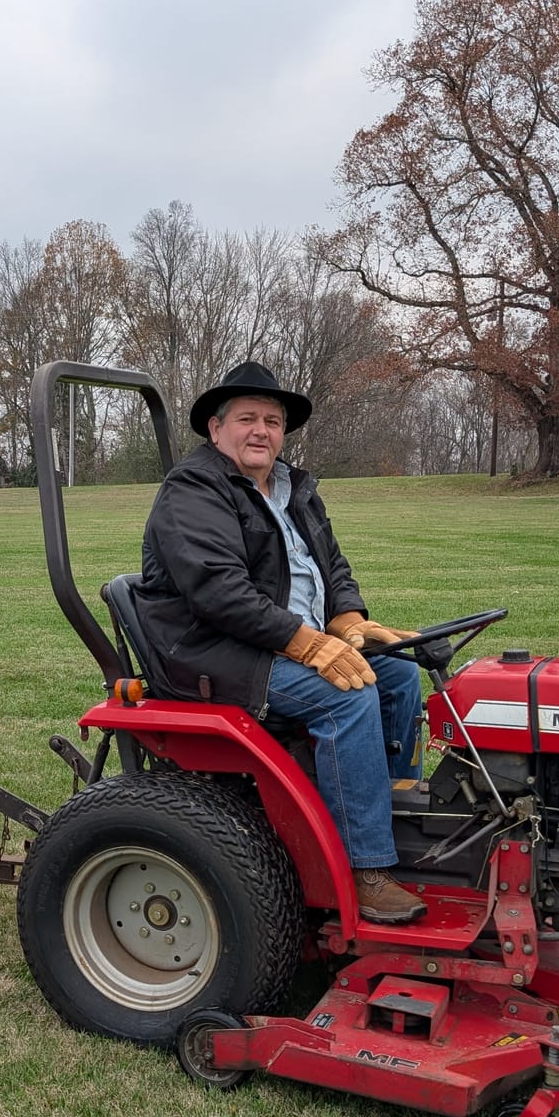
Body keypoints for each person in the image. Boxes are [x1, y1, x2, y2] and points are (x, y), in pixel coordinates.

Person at [138, 360, 428, 925]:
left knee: (396, 674)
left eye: (272, 421)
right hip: (213, 652)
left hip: (283, 641)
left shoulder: (294, 488)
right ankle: (363, 866)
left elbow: (332, 562)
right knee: (345, 698)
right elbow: (219, 592)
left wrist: (346, 619)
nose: (262, 431)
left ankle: (392, 821)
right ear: (215, 429)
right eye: (247, 418)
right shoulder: (194, 490)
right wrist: (307, 644)